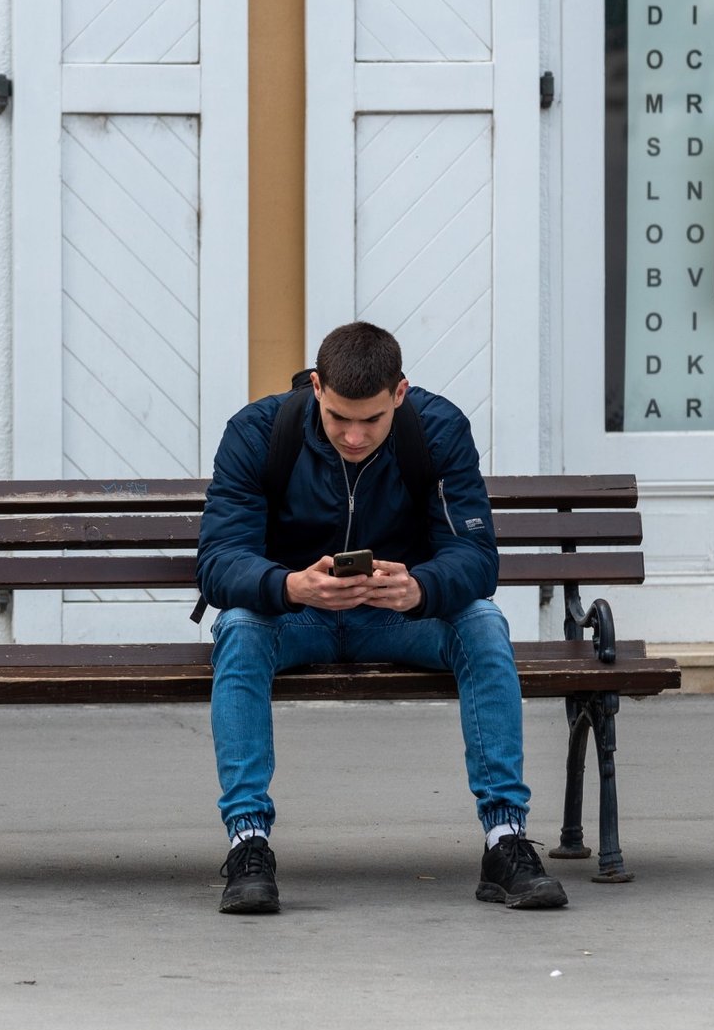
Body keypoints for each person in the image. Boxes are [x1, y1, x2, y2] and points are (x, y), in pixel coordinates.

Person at [195, 321, 567, 913]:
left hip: (397, 618)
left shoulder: (438, 429)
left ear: (400, 392)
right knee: (239, 628)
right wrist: (290, 585)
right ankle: (248, 844)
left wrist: (420, 588)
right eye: (340, 416)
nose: (354, 435)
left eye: (371, 419)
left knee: (484, 623)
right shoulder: (259, 432)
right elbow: (218, 562)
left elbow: (476, 557)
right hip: (297, 619)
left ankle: (506, 839)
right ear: (316, 387)